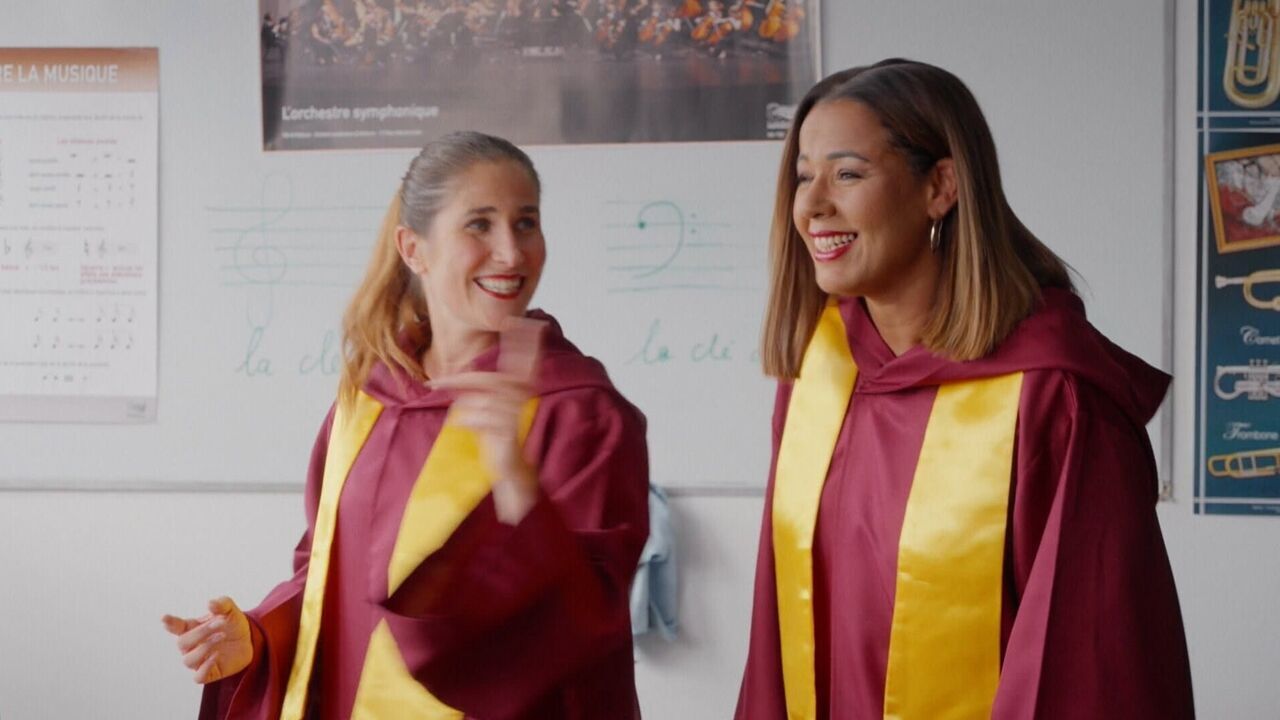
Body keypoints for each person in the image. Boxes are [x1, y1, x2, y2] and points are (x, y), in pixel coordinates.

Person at [735, 59, 1194, 719]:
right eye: (804, 176)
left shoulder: (1053, 398)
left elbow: (1085, 674)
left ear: (941, 186)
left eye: (847, 174)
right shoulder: (821, 374)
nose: (810, 207)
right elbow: (776, 641)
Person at [163, 131, 650, 720]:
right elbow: (326, 577)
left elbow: (591, 628)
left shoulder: (577, 412)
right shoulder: (369, 398)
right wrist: (260, 635)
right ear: (413, 249)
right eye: (479, 224)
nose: (511, 252)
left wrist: (519, 494)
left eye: (526, 223)